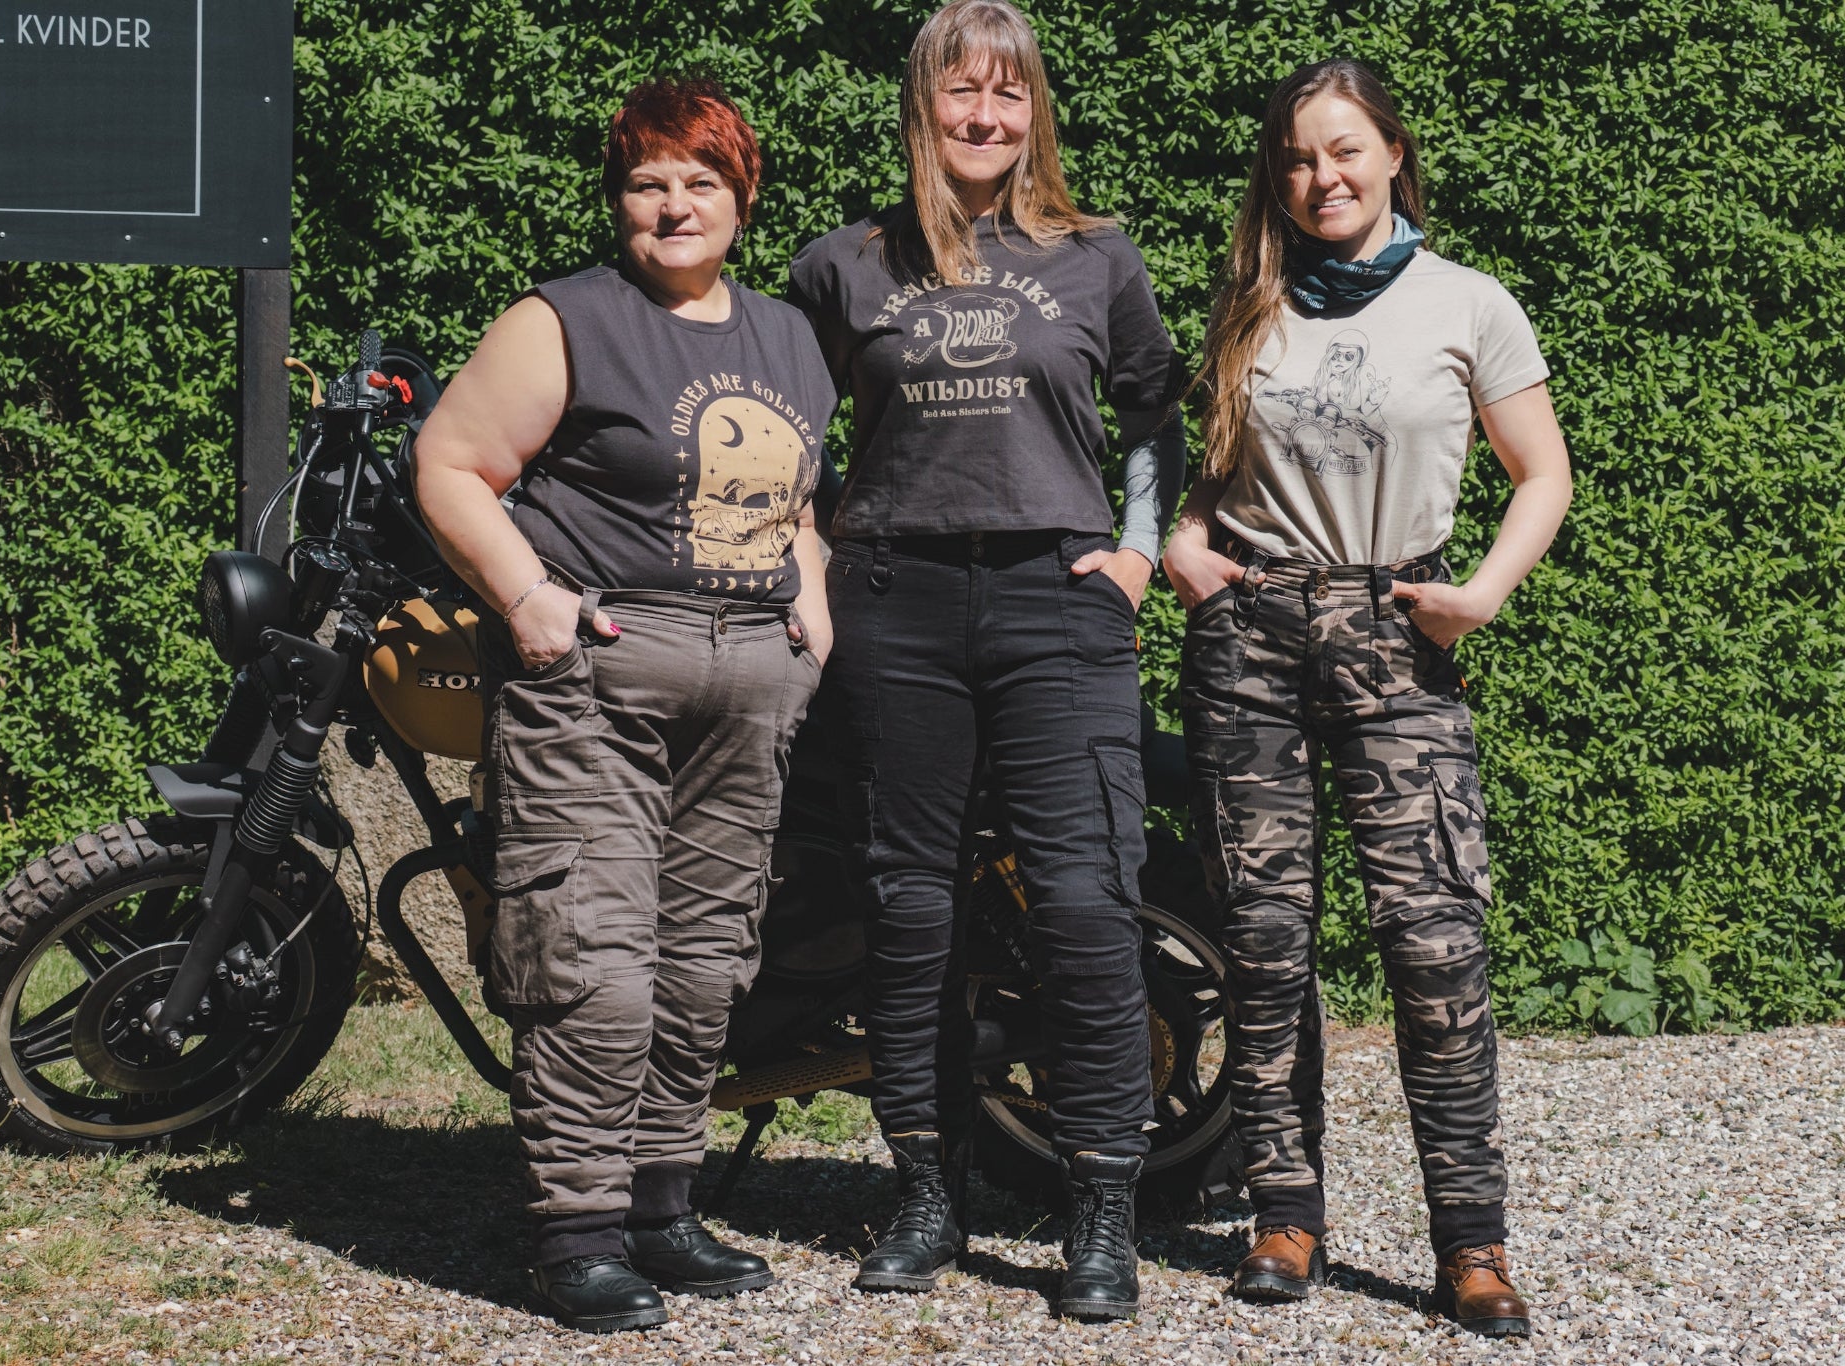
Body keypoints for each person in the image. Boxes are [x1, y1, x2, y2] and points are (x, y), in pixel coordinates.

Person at [787, 0, 1188, 1322]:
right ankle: (925, 1188)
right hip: (897, 606)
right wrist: (820, 571)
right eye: (963, 92)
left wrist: (1135, 552)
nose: (985, 117)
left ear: (1035, 114)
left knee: (1081, 903)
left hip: (1056, 605)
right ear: (925, 103)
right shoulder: (845, 263)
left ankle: (1102, 1209)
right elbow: (784, 436)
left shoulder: (1094, 257)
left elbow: (1151, 419)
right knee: (910, 911)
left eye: (1009, 96)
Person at [414, 77, 834, 1335]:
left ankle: (662, 1205)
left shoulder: (787, 337)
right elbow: (448, 465)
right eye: (647, 180)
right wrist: (528, 596)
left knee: (703, 966)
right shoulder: (562, 321)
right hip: (596, 675)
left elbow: (792, 497)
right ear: (616, 199)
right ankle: (579, 1230)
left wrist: (812, 600)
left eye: (699, 180)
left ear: (740, 197)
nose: (673, 204)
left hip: (748, 691)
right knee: (593, 963)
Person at [1162, 58, 1572, 1340]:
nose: (1318, 177)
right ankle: (1283, 1217)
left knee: (1435, 946)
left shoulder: (1466, 303)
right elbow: (1201, 480)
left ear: (1392, 151)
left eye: (1341, 150)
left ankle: (1471, 1243)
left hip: (1397, 639)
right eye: (1294, 157)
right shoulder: (1248, 303)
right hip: (1251, 646)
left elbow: (1539, 473)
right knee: (1265, 946)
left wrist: (1481, 595)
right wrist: (1181, 543)